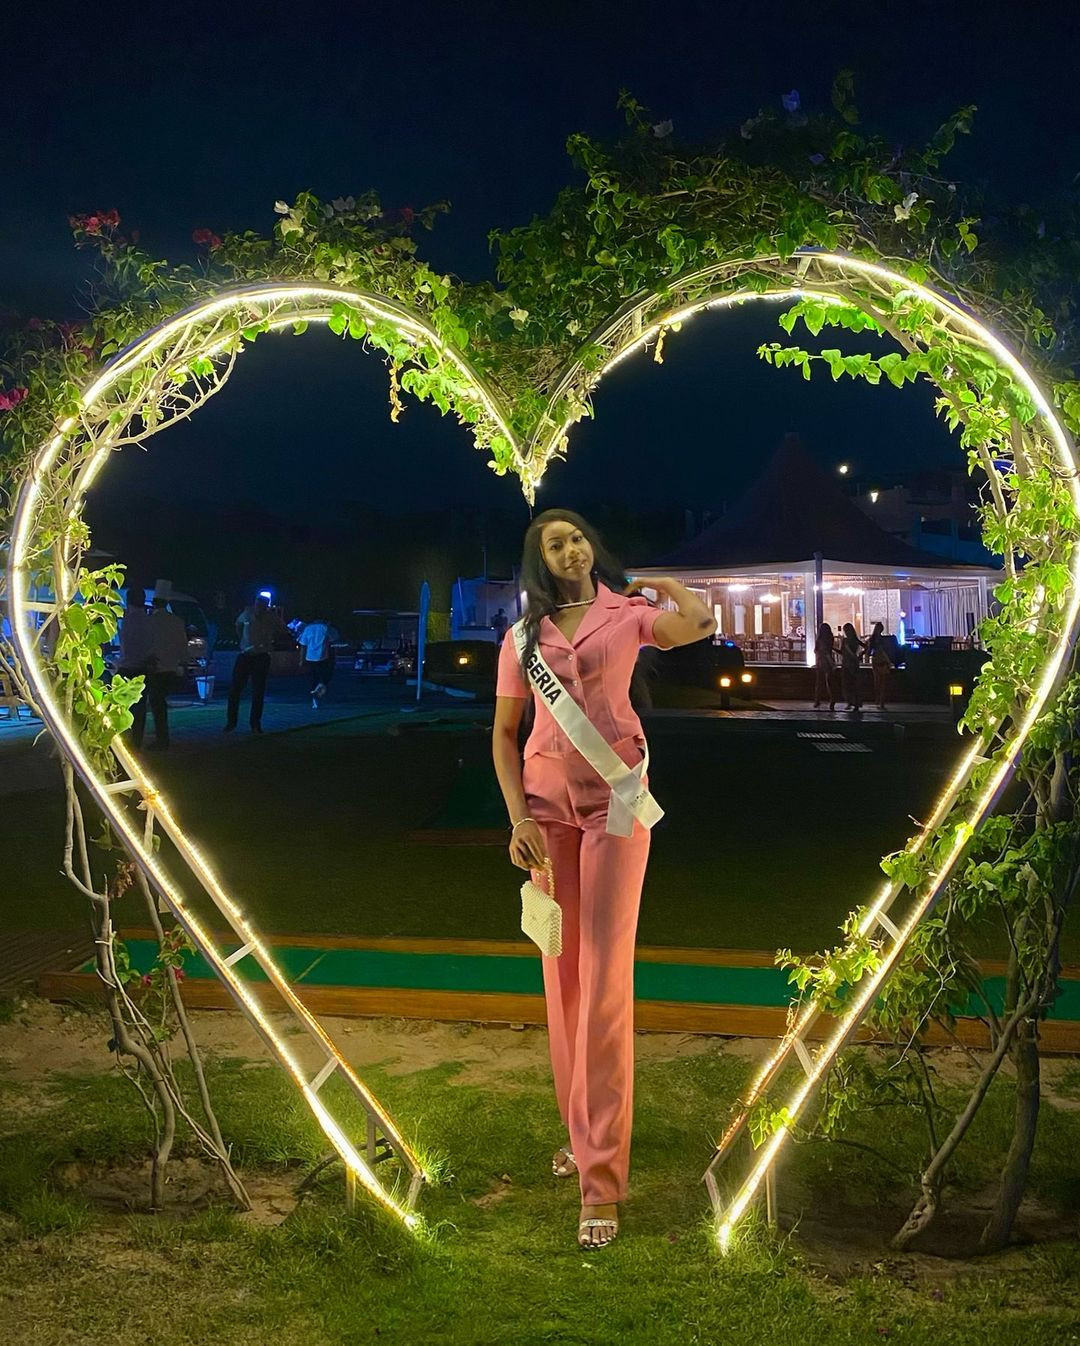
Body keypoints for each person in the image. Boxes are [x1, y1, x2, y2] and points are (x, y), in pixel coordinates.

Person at [492, 508, 716, 1250]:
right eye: (553, 543)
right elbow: (503, 733)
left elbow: (698, 625)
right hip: (547, 813)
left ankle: (601, 1183)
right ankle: (580, 1133)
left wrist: (663, 583)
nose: (569, 549)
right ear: (540, 561)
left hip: (617, 808)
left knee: (606, 983)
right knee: (562, 979)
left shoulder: (628, 615)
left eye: (576, 537)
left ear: (592, 547)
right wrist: (517, 818)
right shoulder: (523, 638)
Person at [119, 584, 188, 748]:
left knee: (131, 705)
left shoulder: (132, 619)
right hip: (154, 667)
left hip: (138, 667)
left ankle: (133, 739)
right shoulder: (159, 620)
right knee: (147, 706)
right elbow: (179, 646)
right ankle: (143, 739)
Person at [224, 592, 283, 733]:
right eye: (258, 604)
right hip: (245, 654)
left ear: (266, 606)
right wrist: (244, 642)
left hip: (261, 656)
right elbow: (238, 626)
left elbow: (281, 630)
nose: (259, 608)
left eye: (262, 605)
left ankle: (255, 723)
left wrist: (269, 642)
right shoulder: (247, 613)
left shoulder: (271, 617)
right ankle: (231, 722)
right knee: (235, 690)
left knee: (258, 691)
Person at [297, 615, 340, 709]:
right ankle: (319, 691)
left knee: (313, 678)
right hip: (323, 657)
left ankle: (314, 699)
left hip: (310, 657)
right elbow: (334, 640)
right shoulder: (325, 628)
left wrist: (301, 660)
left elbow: (303, 645)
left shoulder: (308, 628)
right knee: (326, 676)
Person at [866, 621, 893, 710]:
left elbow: (869, 651)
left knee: (880, 681)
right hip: (879, 660)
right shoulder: (880, 640)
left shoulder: (874, 639)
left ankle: (880, 700)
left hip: (879, 660)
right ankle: (880, 699)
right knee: (879, 681)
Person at [840, 621, 866, 711]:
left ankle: (850, 702)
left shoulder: (846, 641)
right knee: (853, 683)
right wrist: (860, 655)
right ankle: (855, 703)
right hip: (853, 662)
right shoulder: (854, 640)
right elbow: (866, 647)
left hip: (847, 663)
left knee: (848, 683)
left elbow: (841, 652)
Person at [812, 621, 838, 710]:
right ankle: (832, 699)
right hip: (828, 662)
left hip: (821, 662)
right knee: (829, 683)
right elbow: (828, 652)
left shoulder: (820, 640)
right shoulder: (830, 639)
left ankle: (817, 700)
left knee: (819, 683)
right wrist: (832, 664)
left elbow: (817, 651)